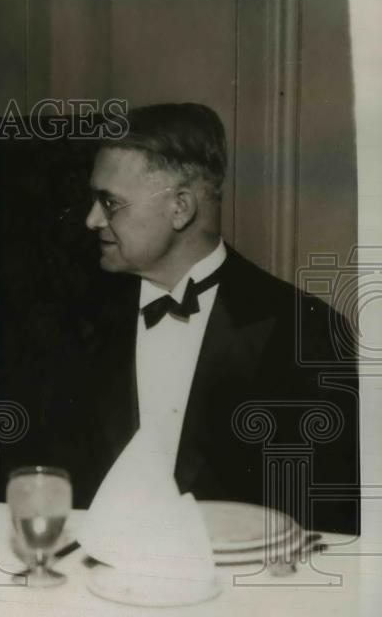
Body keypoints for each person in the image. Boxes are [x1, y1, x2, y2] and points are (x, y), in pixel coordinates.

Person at [77, 102, 359, 534]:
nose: (91, 219)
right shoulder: (73, 321)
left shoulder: (308, 334)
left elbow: (327, 526)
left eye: (110, 203)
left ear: (181, 209)